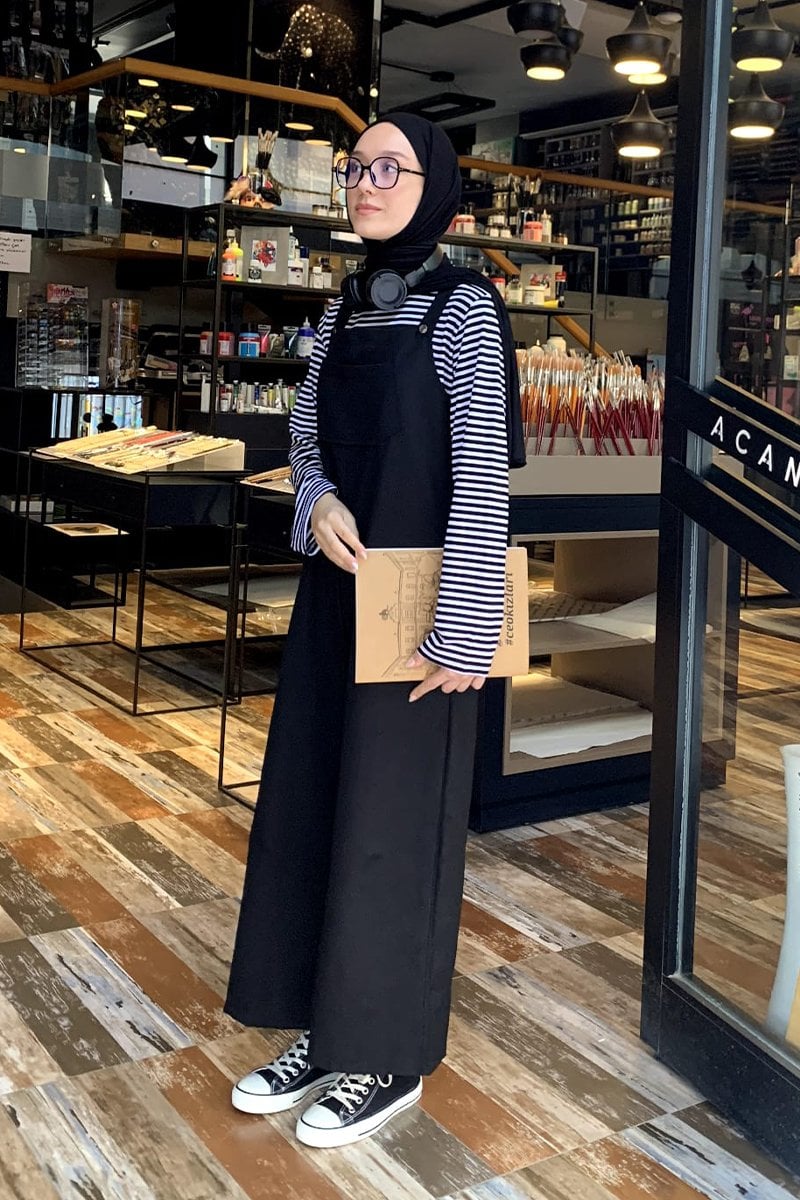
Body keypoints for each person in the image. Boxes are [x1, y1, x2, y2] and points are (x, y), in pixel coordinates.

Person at [225, 112, 525, 1150]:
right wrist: (312, 501)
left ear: (433, 184)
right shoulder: (344, 305)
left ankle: (386, 1057)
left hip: (424, 611)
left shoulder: (465, 307)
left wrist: (466, 630)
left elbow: (483, 469)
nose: (365, 183)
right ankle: (325, 1027)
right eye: (357, 168)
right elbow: (304, 430)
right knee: (316, 803)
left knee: (395, 826)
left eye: (388, 169)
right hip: (336, 594)